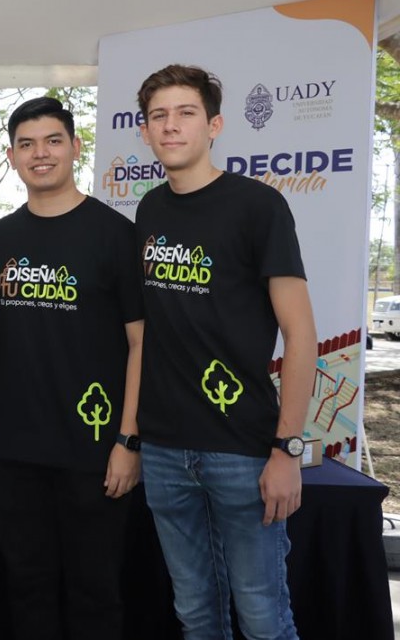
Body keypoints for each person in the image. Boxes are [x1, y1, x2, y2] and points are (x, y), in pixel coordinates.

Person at [134, 64, 317, 639]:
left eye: (186, 113)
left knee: (263, 618)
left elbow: (301, 335)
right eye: (159, 115)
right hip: (164, 449)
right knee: (195, 613)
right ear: (144, 131)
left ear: (213, 125)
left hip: (243, 449)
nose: (171, 125)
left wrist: (287, 449)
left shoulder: (258, 207)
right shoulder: (149, 210)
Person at [0, 97, 145, 639]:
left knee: (95, 591)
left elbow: (141, 343)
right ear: (11, 156)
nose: (40, 153)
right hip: (15, 450)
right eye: (26, 144)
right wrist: (24, 374)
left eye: (52, 141)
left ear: (75, 147)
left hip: (95, 450)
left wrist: (128, 439)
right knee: (27, 587)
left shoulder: (114, 234)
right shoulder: (0, 238)